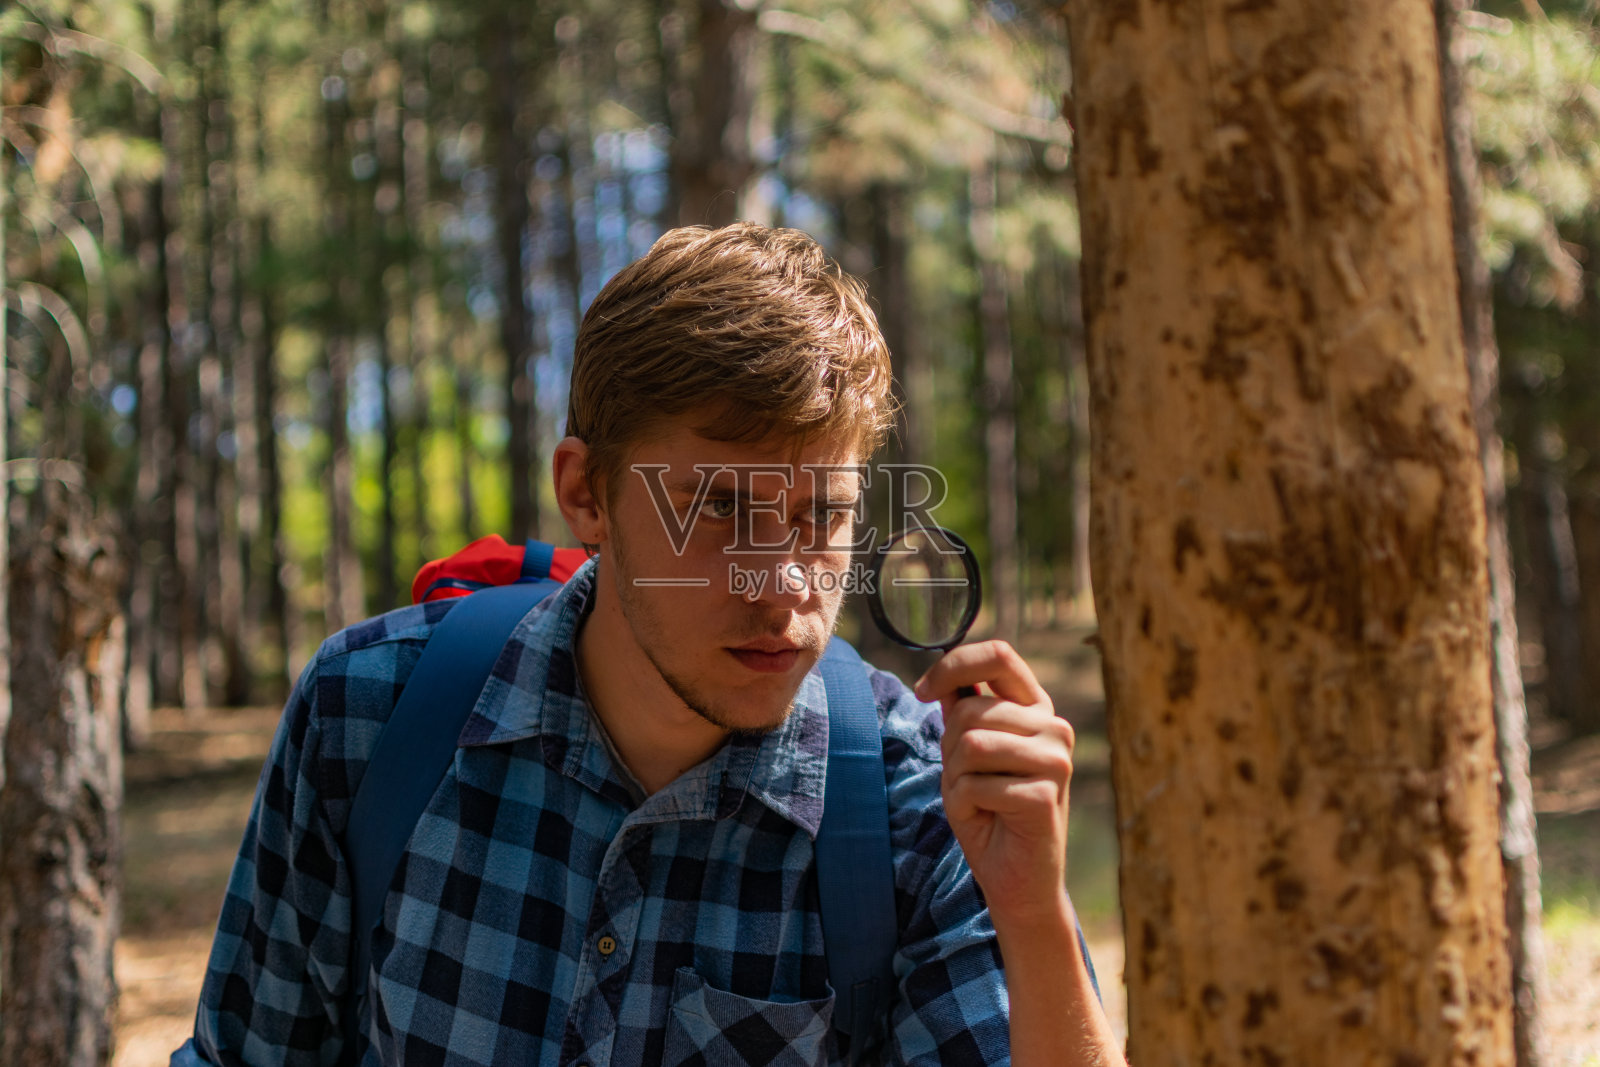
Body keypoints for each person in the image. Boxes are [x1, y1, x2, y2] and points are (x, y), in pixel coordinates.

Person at [173, 223, 1121, 1066]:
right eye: (721, 510)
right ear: (586, 493)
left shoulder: (918, 807)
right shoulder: (370, 714)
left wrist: (1034, 914)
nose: (786, 584)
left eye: (822, 516)